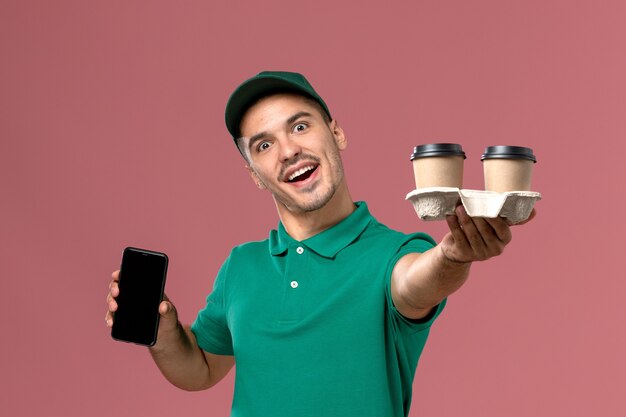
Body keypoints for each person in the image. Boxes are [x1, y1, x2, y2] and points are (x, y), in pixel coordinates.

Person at [106, 71, 534, 416]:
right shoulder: (241, 266)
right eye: (265, 144)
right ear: (255, 174)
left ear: (337, 133)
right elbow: (200, 368)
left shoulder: (392, 255)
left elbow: (417, 282)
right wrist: (162, 335)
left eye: (300, 126)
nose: (289, 150)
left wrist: (452, 254)